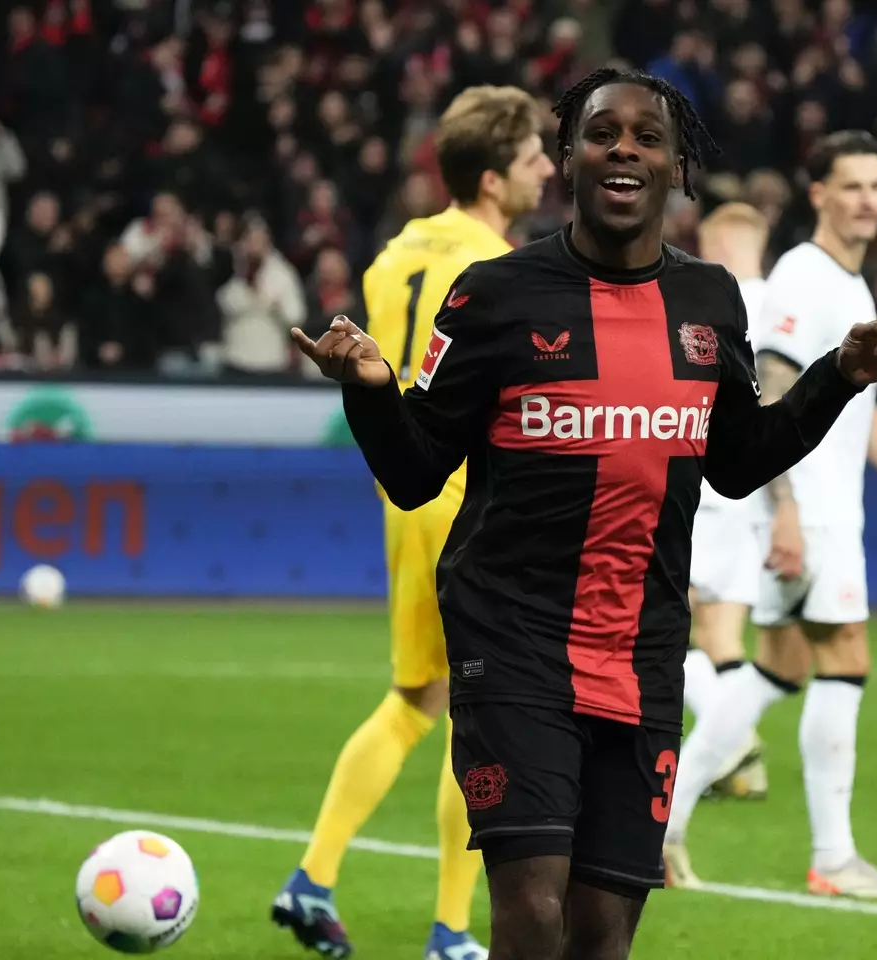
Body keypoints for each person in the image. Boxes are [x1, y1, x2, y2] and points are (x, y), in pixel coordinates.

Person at [293, 70, 877, 960]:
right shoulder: (494, 295)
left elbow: (740, 464)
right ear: (567, 158)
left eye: (647, 137)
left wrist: (838, 376)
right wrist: (371, 393)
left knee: (603, 932)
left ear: (677, 168)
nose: (624, 147)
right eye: (601, 133)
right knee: (532, 910)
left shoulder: (710, 302)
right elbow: (414, 472)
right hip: (513, 643)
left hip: (642, 649)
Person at [272, 84, 555, 960]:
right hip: (471, 495)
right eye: (535, 155)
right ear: (495, 175)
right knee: (478, 707)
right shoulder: (502, 266)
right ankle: (452, 929)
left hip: (403, 490)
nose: (549, 167)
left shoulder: (392, 256)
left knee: (414, 699)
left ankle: (312, 881)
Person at [662, 131, 877, 902]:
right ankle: (833, 856)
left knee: (778, 668)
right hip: (809, 511)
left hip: (827, 508)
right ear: (818, 193)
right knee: (845, 658)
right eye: (852, 186)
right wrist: (783, 511)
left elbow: (858, 409)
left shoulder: (851, 289)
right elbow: (771, 390)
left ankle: (658, 824)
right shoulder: (804, 276)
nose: (868, 200)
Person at [682, 202, 773, 803]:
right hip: (761, 493)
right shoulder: (788, 302)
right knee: (723, 636)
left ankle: (731, 740)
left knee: (671, 618)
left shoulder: (716, 303)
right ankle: (743, 762)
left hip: (710, 484)